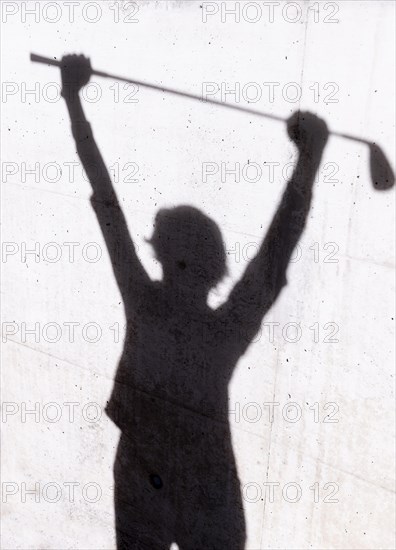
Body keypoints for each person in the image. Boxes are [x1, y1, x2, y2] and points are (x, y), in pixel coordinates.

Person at [60, 54, 328, 550]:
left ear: (161, 252)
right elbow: (274, 255)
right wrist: (308, 163)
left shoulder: (146, 301)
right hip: (200, 481)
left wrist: (73, 99)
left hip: (152, 472)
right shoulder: (221, 329)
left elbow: (106, 197)